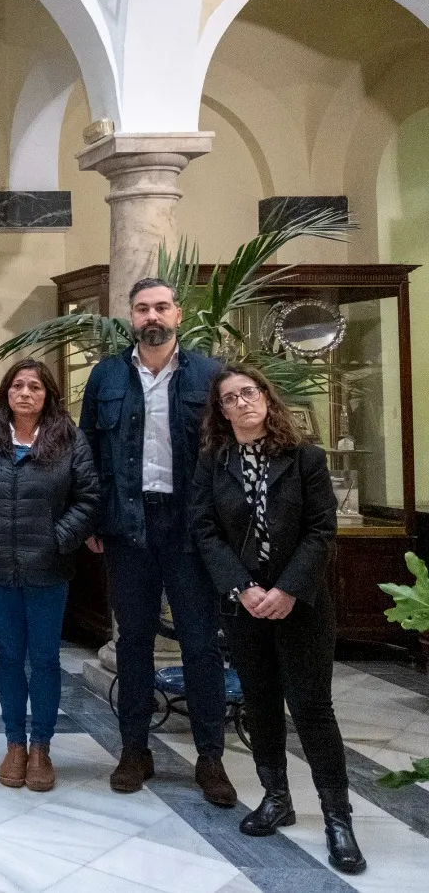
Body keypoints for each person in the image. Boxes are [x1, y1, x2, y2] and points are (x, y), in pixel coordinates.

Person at [191, 364, 365, 874]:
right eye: (230, 398)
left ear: (266, 399)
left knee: (311, 707)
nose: (243, 402)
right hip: (245, 605)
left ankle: (338, 817)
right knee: (261, 703)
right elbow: (204, 531)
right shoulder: (214, 462)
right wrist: (243, 589)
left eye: (250, 393)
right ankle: (276, 797)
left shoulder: (305, 458)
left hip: (301, 603)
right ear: (220, 411)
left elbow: (321, 530)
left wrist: (287, 589)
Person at [78, 278, 236, 806]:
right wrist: (95, 521)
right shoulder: (106, 376)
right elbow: (89, 455)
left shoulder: (209, 375)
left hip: (191, 528)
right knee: (135, 643)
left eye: (161, 307)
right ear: (130, 315)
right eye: (143, 307)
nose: (153, 315)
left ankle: (210, 757)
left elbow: (227, 454)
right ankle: (134, 749)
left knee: (200, 643)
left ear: (178, 314)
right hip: (127, 525)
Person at [0, 359, 99, 792]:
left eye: (34, 387)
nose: (25, 393)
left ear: (47, 395)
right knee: (8, 657)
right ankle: (14, 743)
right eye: (17, 385)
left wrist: (59, 538)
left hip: (49, 568)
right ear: (6, 393)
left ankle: (41, 747)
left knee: (44, 660)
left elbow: (88, 497)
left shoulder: (70, 440)